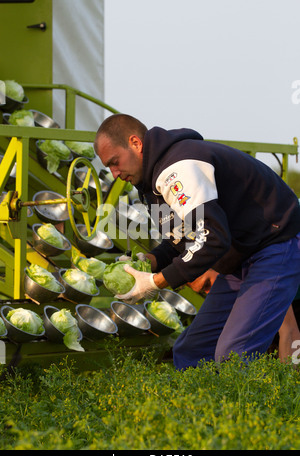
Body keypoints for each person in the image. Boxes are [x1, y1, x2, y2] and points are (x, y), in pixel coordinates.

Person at [94, 113, 300, 369]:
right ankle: (198, 409)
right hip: (240, 256)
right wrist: (151, 261)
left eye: (115, 162)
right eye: (108, 167)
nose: (114, 173)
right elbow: (180, 238)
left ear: (135, 143)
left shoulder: (178, 169)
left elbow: (213, 237)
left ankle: (253, 408)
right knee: (191, 350)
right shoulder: (148, 185)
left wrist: (156, 282)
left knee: (234, 353)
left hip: (274, 244)